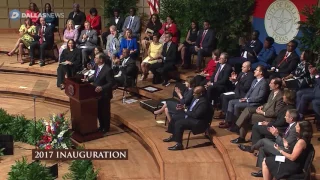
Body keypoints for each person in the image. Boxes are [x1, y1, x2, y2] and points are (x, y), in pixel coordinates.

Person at [238, 109, 300, 178]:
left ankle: (251, 148)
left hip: (285, 152)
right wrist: (277, 133)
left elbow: (286, 145)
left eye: (286, 116)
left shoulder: (294, 129)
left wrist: (276, 135)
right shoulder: (291, 125)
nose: (284, 117)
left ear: (291, 118)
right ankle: (263, 171)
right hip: (282, 147)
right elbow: (285, 138)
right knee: (262, 148)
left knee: (264, 141)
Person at [230, 78, 284, 142]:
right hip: (264, 110)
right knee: (247, 109)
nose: (269, 84)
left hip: (269, 117)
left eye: (271, 83)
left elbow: (276, 113)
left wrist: (263, 113)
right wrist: (262, 106)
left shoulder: (280, 96)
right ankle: (238, 127)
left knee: (247, 118)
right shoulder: (272, 92)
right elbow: (268, 103)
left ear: (277, 85)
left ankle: (241, 136)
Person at [163, 86, 212, 150]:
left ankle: (179, 145)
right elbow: (190, 107)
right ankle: (174, 136)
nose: (193, 94)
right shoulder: (196, 97)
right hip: (191, 116)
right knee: (175, 117)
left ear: (201, 94)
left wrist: (185, 110)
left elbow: (196, 115)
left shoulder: (204, 102)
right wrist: (182, 107)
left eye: (195, 93)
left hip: (198, 122)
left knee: (179, 123)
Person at [87, 53, 115, 133]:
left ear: (101, 60)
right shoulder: (97, 67)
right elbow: (96, 77)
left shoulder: (108, 70)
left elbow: (111, 83)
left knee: (105, 112)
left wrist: (102, 88)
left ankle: (106, 128)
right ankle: (101, 126)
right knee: (99, 111)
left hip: (105, 94)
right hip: (97, 94)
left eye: (96, 58)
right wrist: (88, 80)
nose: (94, 59)